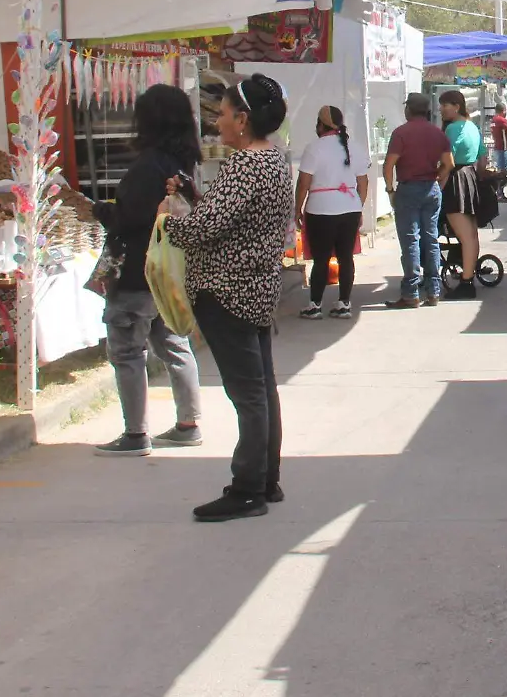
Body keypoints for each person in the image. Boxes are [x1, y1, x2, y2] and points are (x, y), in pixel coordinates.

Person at [166, 74, 295, 522]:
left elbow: (202, 228)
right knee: (261, 389)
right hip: (256, 287)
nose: (217, 121)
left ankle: (247, 489)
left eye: (221, 114)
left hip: (228, 290)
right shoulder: (274, 161)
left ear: (242, 120)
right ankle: (265, 479)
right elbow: (228, 217)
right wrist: (193, 197)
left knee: (249, 395)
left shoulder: (244, 166)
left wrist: (167, 221)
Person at [93, 84, 204, 458]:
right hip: (168, 273)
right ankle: (188, 424)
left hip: (138, 273)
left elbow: (131, 220)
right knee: (174, 344)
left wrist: (101, 211)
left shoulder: (147, 166)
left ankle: (135, 433)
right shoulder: (183, 165)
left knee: (127, 351)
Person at [296, 104, 369, 319]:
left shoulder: (314, 147)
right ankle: (344, 303)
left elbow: (303, 184)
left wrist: (297, 209)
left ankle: (315, 305)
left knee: (321, 259)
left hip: (320, 209)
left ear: (320, 124)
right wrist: (358, 206)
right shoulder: (355, 146)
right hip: (350, 208)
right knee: (346, 257)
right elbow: (363, 184)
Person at [381, 92, 452, 309]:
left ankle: (411, 293)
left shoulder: (401, 133)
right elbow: (449, 163)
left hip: (408, 189)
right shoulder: (438, 133)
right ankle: (434, 291)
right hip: (430, 188)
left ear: (408, 110)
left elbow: (389, 165)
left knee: (410, 240)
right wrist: (437, 177)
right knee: (431, 239)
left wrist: (390, 190)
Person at [438, 89, 485, 302]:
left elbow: (448, 161)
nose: (441, 109)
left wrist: (439, 180)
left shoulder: (453, 129)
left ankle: (466, 282)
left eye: (444, 105)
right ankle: (469, 275)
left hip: (456, 180)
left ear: (456, 106)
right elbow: (482, 158)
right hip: (471, 178)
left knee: (465, 237)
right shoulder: (473, 127)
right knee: (471, 235)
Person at [488, 108, 507, 199]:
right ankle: (499, 193)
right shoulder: (501, 120)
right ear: (503, 110)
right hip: (504, 148)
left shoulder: (493, 120)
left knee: (500, 170)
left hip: (498, 147)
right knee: (503, 171)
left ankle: (499, 192)